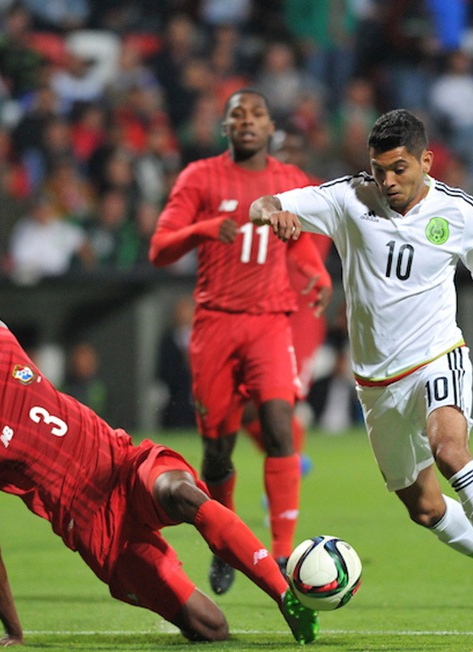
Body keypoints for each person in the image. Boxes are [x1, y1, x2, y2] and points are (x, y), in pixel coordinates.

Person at [250, 108, 473, 624]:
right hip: (375, 384)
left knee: (451, 451)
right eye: (379, 169)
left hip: (437, 358)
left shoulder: (458, 213)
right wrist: (273, 213)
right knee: (424, 508)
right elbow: (261, 202)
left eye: (400, 168)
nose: (388, 181)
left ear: (427, 161)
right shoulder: (348, 198)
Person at [0, 279, 317, 646]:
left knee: (178, 492)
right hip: (97, 529)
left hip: (124, 465)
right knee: (211, 628)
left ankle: (285, 595)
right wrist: (13, 631)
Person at [149, 88, 331, 595]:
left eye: (257, 114)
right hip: (216, 325)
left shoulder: (289, 181)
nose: (248, 121)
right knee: (218, 454)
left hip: (271, 322)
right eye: (238, 114)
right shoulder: (199, 177)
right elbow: (160, 248)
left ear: (271, 127)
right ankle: (226, 542)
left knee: (279, 426)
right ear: (224, 127)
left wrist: (317, 273)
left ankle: (280, 554)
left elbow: (297, 243)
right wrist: (207, 228)